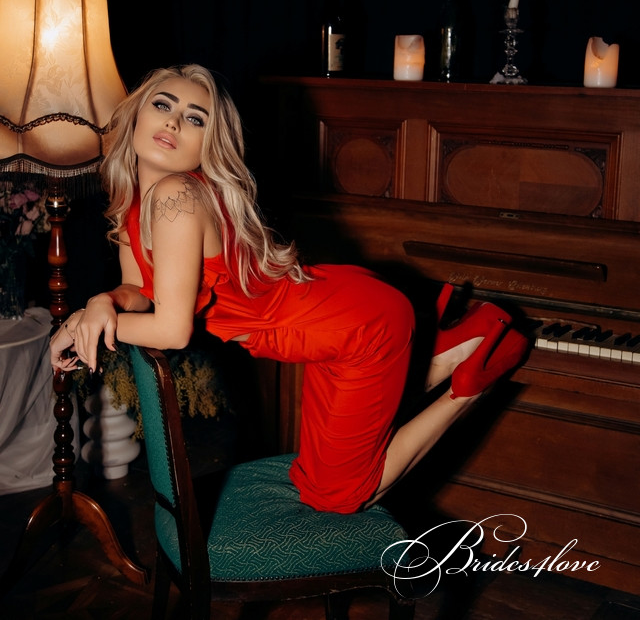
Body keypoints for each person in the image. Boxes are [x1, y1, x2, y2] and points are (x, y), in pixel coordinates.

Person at [50, 64, 529, 514]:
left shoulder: (176, 197)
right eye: (163, 105)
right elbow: (138, 286)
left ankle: (470, 383)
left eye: (195, 118)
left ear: (208, 145)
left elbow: (173, 330)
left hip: (355, 329)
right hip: (327, 322)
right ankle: (439, 354)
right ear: (135, 115)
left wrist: (77, 322)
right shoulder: (137, 199)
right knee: (315, 477)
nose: (173, 122)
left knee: (337, 496)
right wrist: (102, 302)